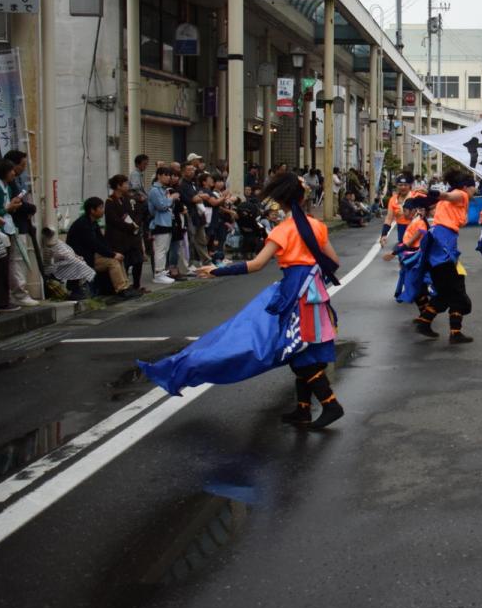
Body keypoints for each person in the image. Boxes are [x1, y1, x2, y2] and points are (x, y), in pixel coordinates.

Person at [139, 173, 344, 428]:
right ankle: (303, 410)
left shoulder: (282, 230)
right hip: (312, 291)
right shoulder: (316, 226)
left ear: (279, 202)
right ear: (303, 198)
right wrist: (312, 272)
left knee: (297, 353)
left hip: (294, 292)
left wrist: (218, 270)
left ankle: (330, 405)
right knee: (300, 350)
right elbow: (334, 261)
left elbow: (256, 264)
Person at [410, 169, 476, 343]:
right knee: (457, 290)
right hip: (443, 247)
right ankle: (454, 332)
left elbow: (444, 200)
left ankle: (426, 323)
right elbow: (448, 196)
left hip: (440, 245)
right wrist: (434, 193)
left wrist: (429, 196)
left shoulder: (453, 200)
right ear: (466, 187)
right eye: (473, 187)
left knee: (446, 292)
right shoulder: (461, 194)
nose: (474, 191)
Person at [66, 197, 140, 300]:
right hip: (82, 259)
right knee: (113, 262)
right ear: (92, 210)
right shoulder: (83, 224)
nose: (103, 210)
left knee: (118, 258)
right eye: (100, 208)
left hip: (90, 256)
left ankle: (126, 287)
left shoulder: (93, 223)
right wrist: (112, 254)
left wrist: (113, 253)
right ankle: (121, 289)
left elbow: (102, 241)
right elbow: (94, 244)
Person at [0, 159, 35, 307]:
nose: (14, 172)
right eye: (11, 170)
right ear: (4, 171)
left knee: (9, 264)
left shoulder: (7, 187)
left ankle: (8, 297)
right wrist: (9, 207)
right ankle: (5, 299)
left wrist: (14, 205)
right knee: (2, 266)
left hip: (9, 228)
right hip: (0, 230)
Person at [105, 175, 146, 292]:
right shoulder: (110, 201)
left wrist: (136, 224)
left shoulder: (129, 198)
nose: (128, 186)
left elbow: (138, 211)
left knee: (138, 260)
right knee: (125, 262)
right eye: (125, 184)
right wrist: (129, 226)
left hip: (133, 235)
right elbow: (114, 220)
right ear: (118, 186)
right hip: (119, 237)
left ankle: (137, 285)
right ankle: (125, 285)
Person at [40, 226, 96, 300]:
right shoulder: (51, 246)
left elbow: (67, 254)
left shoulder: (56, 243)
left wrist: (76, 257)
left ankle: (81, 292)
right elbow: (64, 255)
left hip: (61, 266)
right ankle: (81, 292)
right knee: (80, 265)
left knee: (80, 266)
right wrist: (76, 258)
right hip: (55, 269)